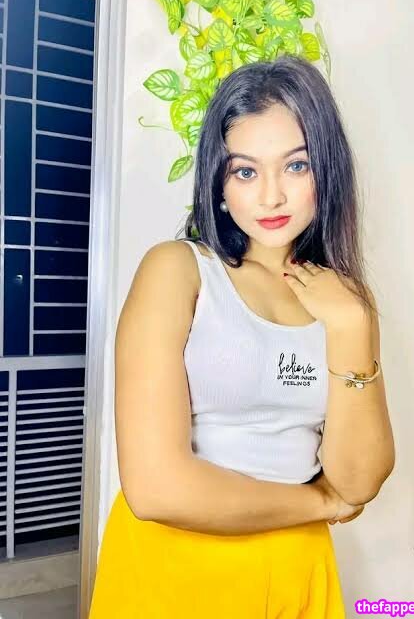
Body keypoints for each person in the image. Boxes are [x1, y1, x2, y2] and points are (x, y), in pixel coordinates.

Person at [87, 54, 395, 618]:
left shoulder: (343, 300)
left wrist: (352, 326)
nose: (271, 196)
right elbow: (155, 488)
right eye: (246, 171)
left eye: (296, 166)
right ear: (219, 183)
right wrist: (319, 502)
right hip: (173, 568)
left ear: (327, 171)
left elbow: (359, 480)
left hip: (295, 567)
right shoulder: (178, 271)